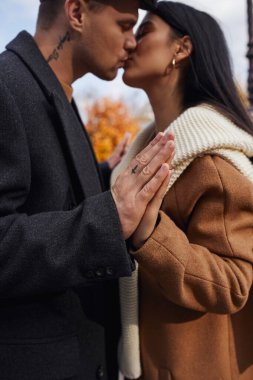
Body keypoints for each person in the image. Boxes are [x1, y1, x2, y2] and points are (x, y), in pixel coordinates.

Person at [0, 0, 176, 379]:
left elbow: (40, 193)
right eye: (125, 25)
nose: (132, 42)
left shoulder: (57, 91)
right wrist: (109, 217)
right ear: (77, 13)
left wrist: (101, 174)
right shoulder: (6, 86)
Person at [111, 2, 253, 379]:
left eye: (144, 32)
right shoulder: (144, 157)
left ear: (181, 48)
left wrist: (149, 233)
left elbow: (234, 283)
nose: (129, 43)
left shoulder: (214, 162)